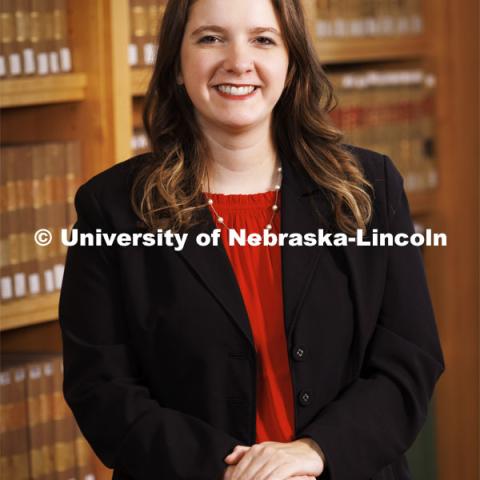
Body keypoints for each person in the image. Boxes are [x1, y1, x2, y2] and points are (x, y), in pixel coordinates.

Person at [58, 0, 445, 479]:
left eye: (263, 39)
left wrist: (313, 452)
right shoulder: (112, 208)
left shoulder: (370, 187)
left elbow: (409, 361)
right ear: (177, 65)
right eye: (210, 38)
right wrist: (238, 472)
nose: (238, 61)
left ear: (292, 62)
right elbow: (101, 388)